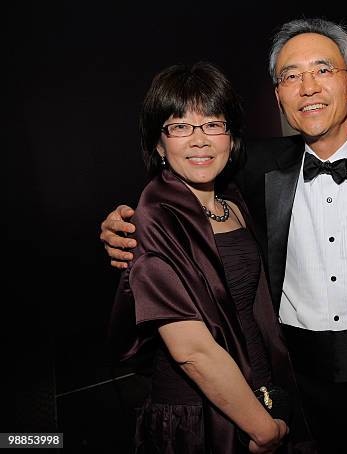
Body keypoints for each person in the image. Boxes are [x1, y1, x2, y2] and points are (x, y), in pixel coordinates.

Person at [102, 19, 347, 454]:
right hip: (293, 379)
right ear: (278, 95)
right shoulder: (255, 168)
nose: (307, 87)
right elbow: (186, 174)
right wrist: (121, 222)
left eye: (323, 70)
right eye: (291, 76)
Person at [108, 61, 315, 454]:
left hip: (262, 392)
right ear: (158, 143)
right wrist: (263, 430)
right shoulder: (153, 217)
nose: (199, 139)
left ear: (230, 136)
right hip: (204, 415)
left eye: (212, 124)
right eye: (180, 126)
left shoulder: (233, 199)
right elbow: (192, 352)